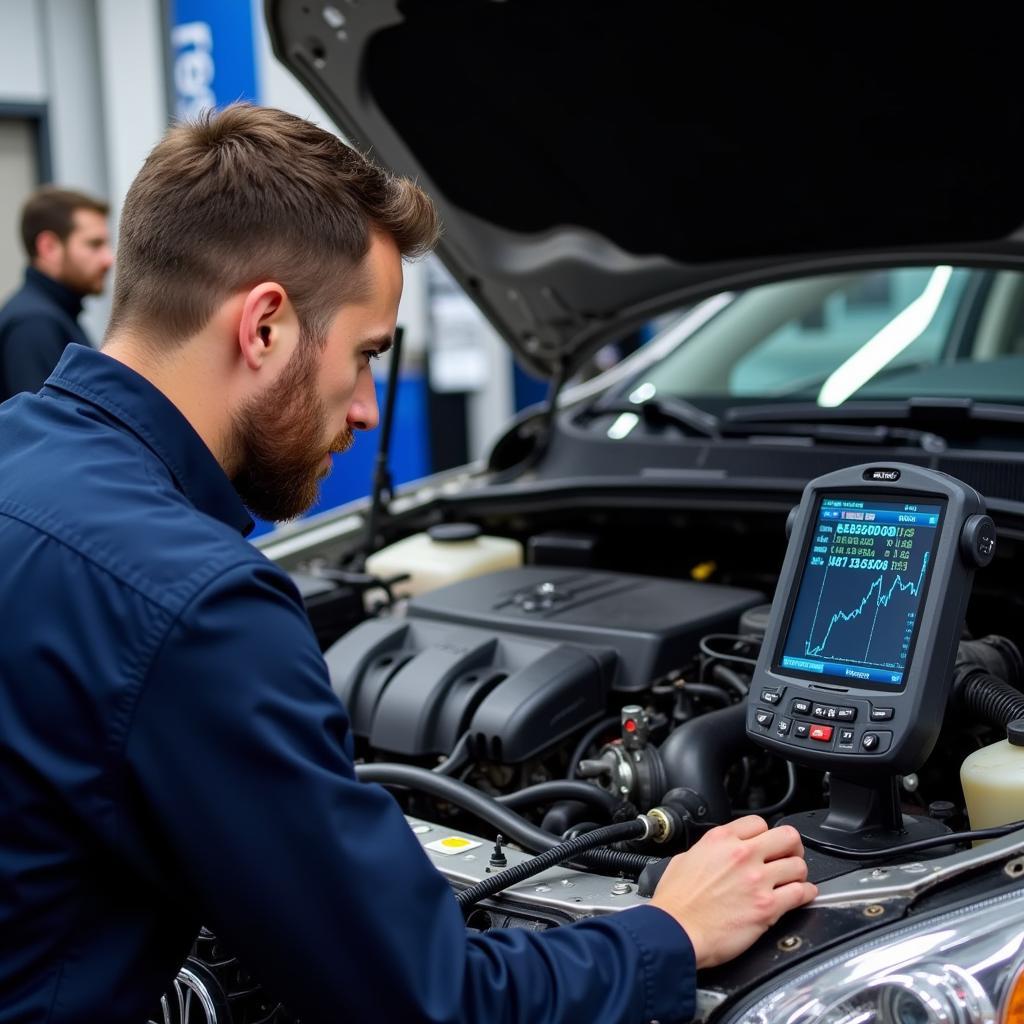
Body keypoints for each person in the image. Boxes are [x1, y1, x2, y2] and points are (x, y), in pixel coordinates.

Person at [0, 105, 816, 1024]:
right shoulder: (195, 605)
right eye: (365, 357)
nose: (367, 411)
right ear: (264, 325)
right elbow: (426, 1004)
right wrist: (667, 930)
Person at [0, 185, 113, 402]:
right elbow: (39, 429)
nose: (108, 259)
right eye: (94, 244)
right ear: (49, 247)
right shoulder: (34, 322)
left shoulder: (54, 313)